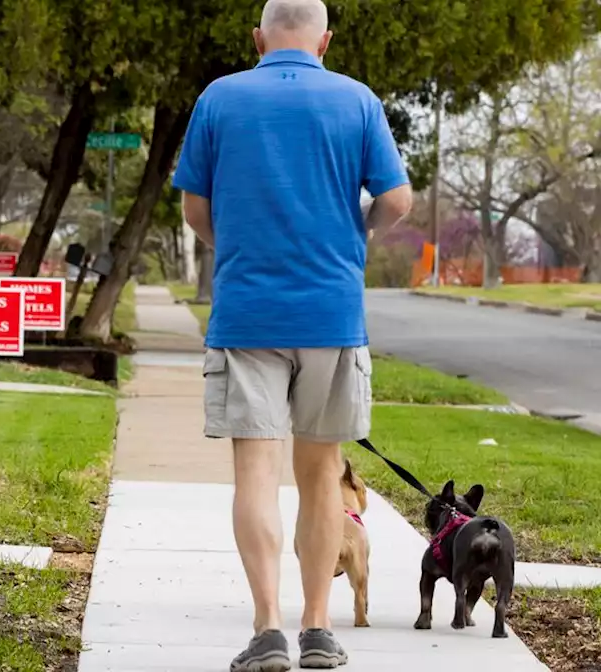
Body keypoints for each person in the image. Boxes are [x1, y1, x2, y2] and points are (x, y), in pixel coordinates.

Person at [171, 0, 414, 670]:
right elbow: (396, 200)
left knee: (255, 473)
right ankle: (317, 630)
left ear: (258, 38)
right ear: (325, 41)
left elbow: (194, 207)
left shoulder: (219, 98)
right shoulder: (357, 101)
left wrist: (239, 250)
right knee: (322, 474)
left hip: (247, 314)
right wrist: (352, 239)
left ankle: (266, 629)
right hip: (331, 315)